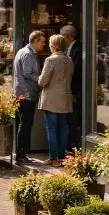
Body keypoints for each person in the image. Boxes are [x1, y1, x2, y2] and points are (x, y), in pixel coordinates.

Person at [38, 34, 74, 166]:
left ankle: (53, 157)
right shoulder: (69, 60)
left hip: (52, 98)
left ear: (53, 46)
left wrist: (38, 79)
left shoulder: (50, 60)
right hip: (65, 97)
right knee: (63, 128)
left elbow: (43, 81)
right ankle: (61, 156)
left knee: (51, 128)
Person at [13, 31, 46, 164]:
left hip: (22, 93)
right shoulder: (27, 54)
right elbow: (26, 74)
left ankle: (22, 153)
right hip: (25, 94)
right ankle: (21, 155)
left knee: (24, 124)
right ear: (36, 41)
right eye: (42, 42)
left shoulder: (23, 51)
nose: (44, 44)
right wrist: (40, 79)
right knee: (25, 124)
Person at [61, 25, 82, 151]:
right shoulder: (68, 48)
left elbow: (76, 68)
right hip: (70, 89)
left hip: (76, 88)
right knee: (71, 117)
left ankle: (73, 145)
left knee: (74, 117)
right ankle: (70, 144)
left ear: (68, 36)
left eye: (63, 37)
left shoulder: (77, 48)